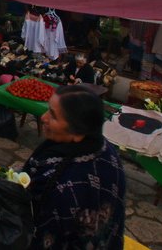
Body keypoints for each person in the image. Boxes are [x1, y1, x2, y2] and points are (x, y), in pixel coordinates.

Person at [22, 85, 125, 249]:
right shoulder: (103, 147)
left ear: (78, 133)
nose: (43, 117)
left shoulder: (61, 189)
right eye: (48, 110)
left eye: (53, 116)